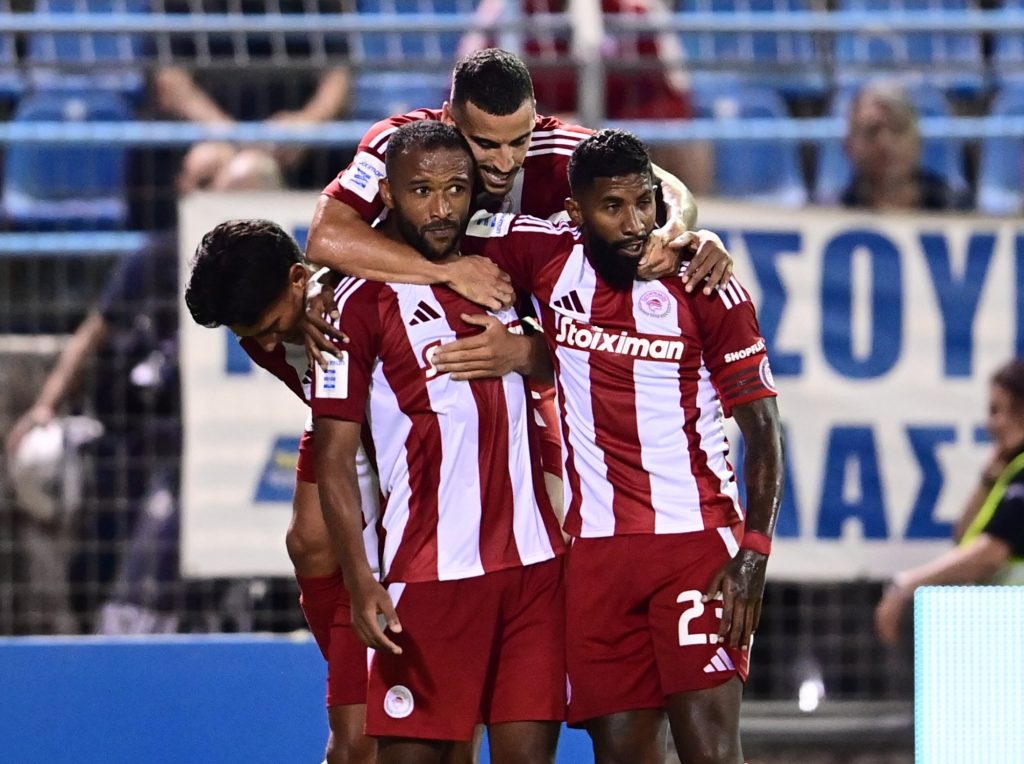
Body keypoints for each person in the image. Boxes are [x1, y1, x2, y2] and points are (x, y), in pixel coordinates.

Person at [444, 128, 784, 764]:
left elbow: (764, 432)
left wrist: (754, 554)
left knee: (711, 753)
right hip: (597, 558)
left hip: (694, 546)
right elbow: (427, 225)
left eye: (643, 203)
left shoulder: (705, 283)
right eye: (612, 207)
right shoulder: (543, 252)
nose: (633, 224)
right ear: (575, 212)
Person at [312, 121, 566, 764]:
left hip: (535, 569)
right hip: (430, 575)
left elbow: (579, 352)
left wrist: (527, 351)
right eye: (421, 190)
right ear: (388, 195)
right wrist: (361, 580)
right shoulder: (351, 305)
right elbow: (334, 459)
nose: (442, 207)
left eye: (455, 188)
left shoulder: (498, 271)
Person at [184, 220, 482, 764]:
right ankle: (361, 668)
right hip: (348, 430)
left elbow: (381, 224)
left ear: (299, 279)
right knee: (309, 542)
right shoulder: (272, 331)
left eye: (272, 326)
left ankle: (386, 690)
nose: (266, 344)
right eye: (249, 334)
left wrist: (334, 280)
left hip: (422, 442)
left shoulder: (361, 301)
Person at [308, 47, 732, 315]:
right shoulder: (403, 146)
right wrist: (447, 271)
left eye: (519, 140)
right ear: (449, 119)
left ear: (534, 117)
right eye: (485, 144)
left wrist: (675, 230)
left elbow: (668, 186)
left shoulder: (561, 146)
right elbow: (326, 236)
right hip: (398, 318)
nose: (505, 162)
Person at [5, 237, 181, 635]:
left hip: (182, 451)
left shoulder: (244, 262)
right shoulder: (157, 256)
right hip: (124, 444)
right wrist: (45, 406)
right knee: (93, 564)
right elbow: (93, 330)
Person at [457, 0, 713, 195]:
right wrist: (558, 127)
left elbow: (674, 103)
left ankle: (680, 233)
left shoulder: (637, 11)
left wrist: (605, 133)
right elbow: (468, 104)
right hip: (533, 143)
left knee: (690, 146)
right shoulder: (500, 14)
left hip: (617, 142)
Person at [875, 358, 1024, 647]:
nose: (991, 424)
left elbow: (991, 552)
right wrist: (988, 479)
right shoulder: (1012, 470)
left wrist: (907, 585)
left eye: (998, 410)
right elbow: (964, 537)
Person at [154, 0, 351, 194]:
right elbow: (171, 81)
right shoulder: (182, 6)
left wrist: (306, 123)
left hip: (290, 146)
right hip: (208, 135)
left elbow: (337, 77)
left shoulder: (316, 6)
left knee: (249, 171)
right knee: (206, 160)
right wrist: (226, 132)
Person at [840, 80, 971, 211]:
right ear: (849, 145)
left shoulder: (955, 206)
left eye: (897, 128)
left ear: (918, 140)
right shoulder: (835, 209)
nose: (885, 143)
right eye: (872, 131)